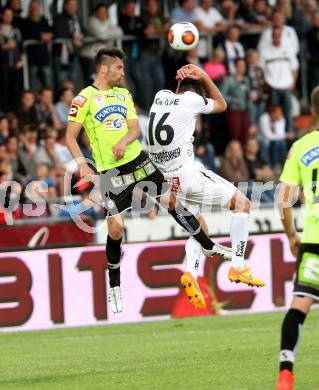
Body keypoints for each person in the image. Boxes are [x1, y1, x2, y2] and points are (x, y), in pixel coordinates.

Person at [66, 48, 231, 314]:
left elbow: (134, 128)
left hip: (138, 160)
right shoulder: (83, 99)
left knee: (171, 202)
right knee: (116, 229)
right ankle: (114, 285)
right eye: (119, 67)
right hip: (111, 172)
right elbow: (70, 138)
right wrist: (84, 166)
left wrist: (124, 141)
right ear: (104, 69)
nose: (123, 72)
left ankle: (208, 246)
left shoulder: (123, 94)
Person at [148, 63, 265, 309]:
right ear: (197, 93)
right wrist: (203, 75)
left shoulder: (160, 97)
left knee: (198, 223)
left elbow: (176, 94)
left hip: (166, 180)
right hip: (188, 174)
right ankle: (239, 266)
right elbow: (222, 104)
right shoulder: (191, 100)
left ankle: (190, 271)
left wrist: (184, 78)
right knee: (242, 203)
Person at [275, 86, 319, 390]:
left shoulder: (301, 147)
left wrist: (291, 234)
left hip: (314, 235)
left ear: (313, 112)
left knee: (300, 304)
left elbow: (284, 199)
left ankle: (286, 370)